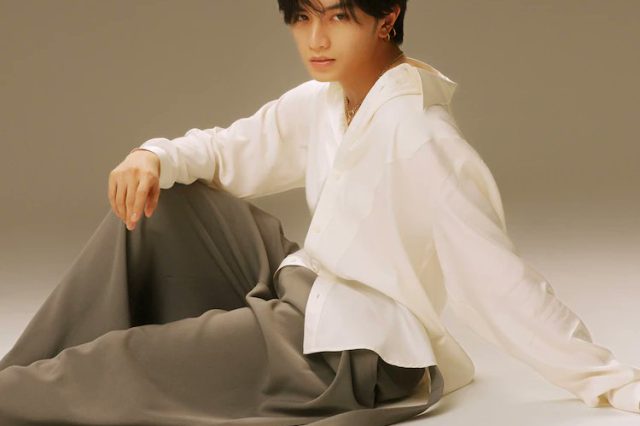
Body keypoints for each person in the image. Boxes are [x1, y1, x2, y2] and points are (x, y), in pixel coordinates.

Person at [0, 0, 638, 424]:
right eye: (303, 16)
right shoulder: (327, 100)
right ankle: (15, 374)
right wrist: (152, 154)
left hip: (351, 351)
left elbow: (501, 283)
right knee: (162, 201)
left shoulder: (423, 139)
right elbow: (227, 151)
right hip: (302, 287)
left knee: (124, 364)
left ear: (387, 16)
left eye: (338, 16)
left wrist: (612, 380)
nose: (316, 38)